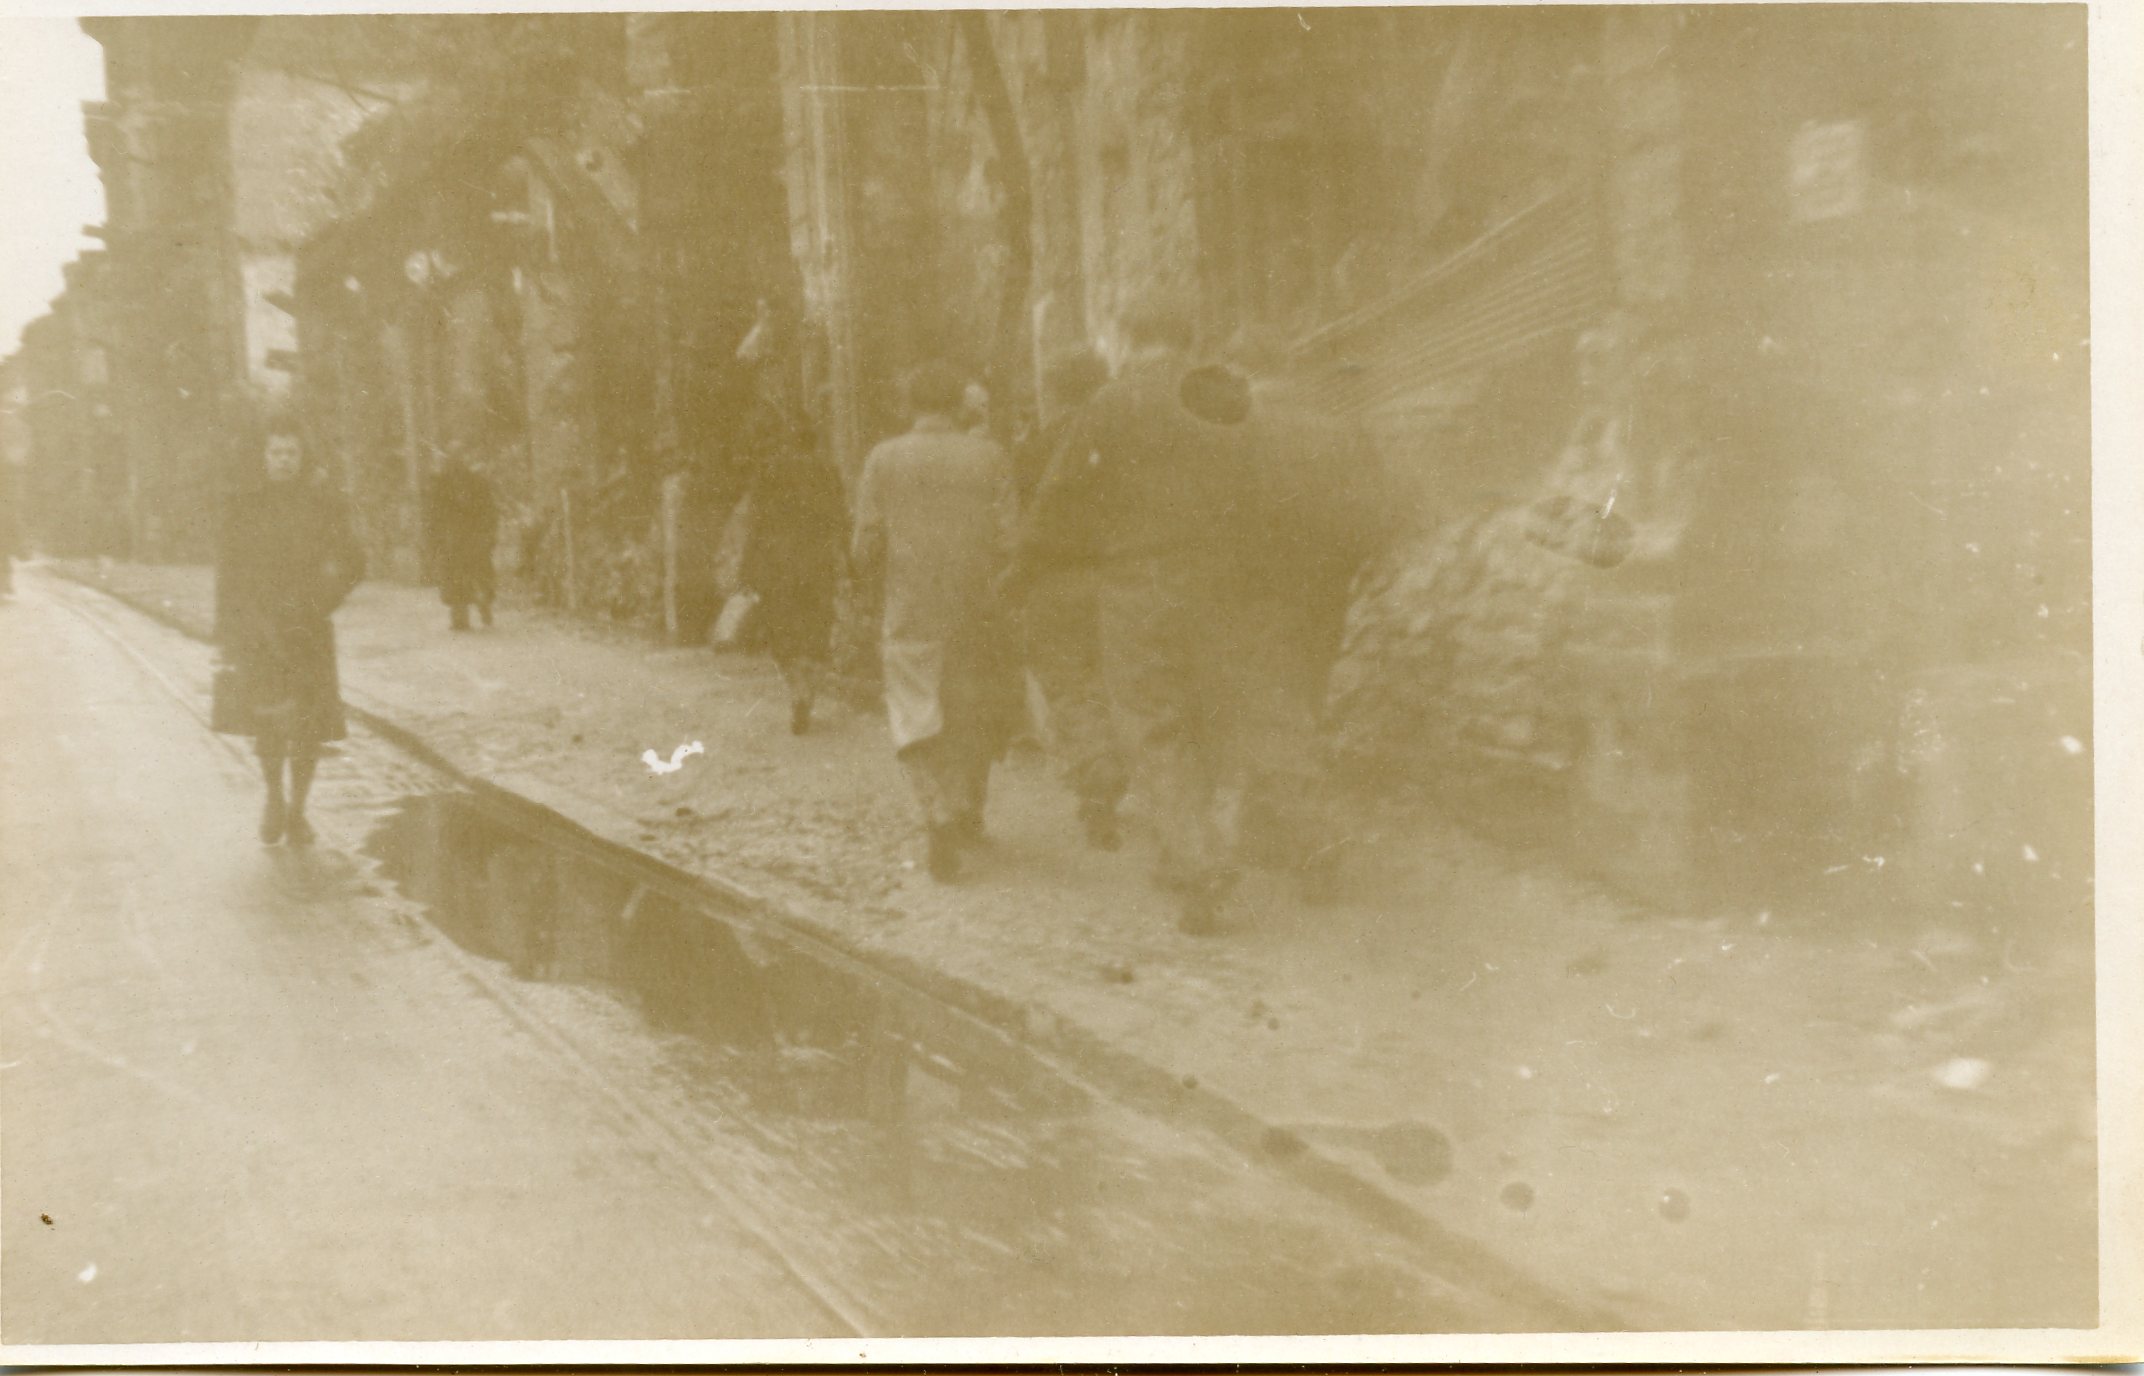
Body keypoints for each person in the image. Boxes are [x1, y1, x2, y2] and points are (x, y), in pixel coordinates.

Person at [1004, 303, 1254, 934]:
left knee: (1151, 719)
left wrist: (1023, 565)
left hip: (1140, 582)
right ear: (1188, 336)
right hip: (1224, 582)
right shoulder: (1227, 398)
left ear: (1130, 337)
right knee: (1208, 710)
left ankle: (1196, 860)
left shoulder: (1112, 403)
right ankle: (1189, 845)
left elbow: (1060, 493)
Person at [1221, 327, 1395, 904]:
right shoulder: (1339, 426)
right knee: (1299, 700)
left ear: (1239, 371)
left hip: (1253, 590)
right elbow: (1378, 510)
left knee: (1270, 714)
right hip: (1325, 589)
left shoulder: (1237, 428)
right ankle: (1263, 833)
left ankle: (1317, 843)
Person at [852, 360, 1020, 881]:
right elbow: (1011, 538)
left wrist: (872, 589)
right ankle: (968, 809)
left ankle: (937, 811)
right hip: (976, 607)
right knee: (970, 708)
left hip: (911, 607)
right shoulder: (990, 457)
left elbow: (866, 544)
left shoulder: (884, 458)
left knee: (914, 712)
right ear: (958, 405)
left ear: (909, 404)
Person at [213, 419, 365, 846]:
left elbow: (354, 561)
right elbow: (228, 573)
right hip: (260, 631)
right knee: (268, 722)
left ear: (303, 457)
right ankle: (273, 797)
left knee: (308, 726)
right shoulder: (244, 506)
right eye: (276, 452)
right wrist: (228, 632)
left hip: (308, 629)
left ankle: (298, 809)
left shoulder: (323, 506)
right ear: (264, 457)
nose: (283, 460)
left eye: (291, 452)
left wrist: (322, 600)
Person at [1012, 347, 1127, 849]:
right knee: (1113, 679)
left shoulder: (1035, 448)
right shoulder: (1124, 444)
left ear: (1055, 390)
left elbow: (1025, 521)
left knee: (1066, 685)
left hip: (1054, 582)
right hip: (1118, 578)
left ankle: (1096, 772)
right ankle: (1110, 774)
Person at [737, 352, 846, 735]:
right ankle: (808, 690)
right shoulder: (827, 470)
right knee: (816, 627)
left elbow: (756, 522)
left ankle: (796, 688)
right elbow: (839, 517)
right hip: (817, 560)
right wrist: (848, 561)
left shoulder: (768, 470)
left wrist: (746, 568)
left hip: (778, 562)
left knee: (782, 629)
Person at [424, 447, 498, 631]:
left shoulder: (445, 484)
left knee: (462, 575)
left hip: (461, 537)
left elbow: (433, 514)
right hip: (464, 537)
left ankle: (470, 611)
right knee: (468, 574)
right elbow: (434, 514)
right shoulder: (466, 482)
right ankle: (473, 609)